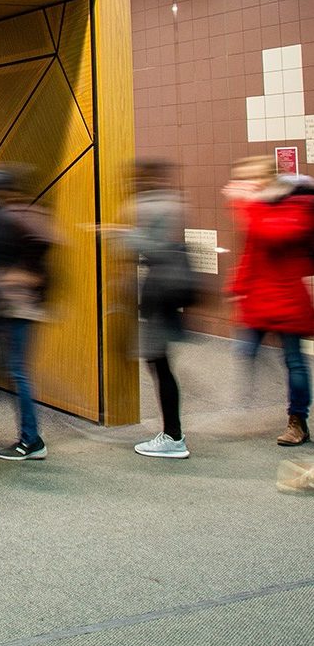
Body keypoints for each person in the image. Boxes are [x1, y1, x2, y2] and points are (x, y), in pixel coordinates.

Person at [226, 164, 314, 447]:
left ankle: (297, 421)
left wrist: (246, 204)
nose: (246, 183)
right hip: (259, 296)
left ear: (268, 179)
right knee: (245, 350)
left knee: (293, 362)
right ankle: (255, 402)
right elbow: (252, 251)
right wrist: (237, 286)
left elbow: (272, 234)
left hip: (286, 297)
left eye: (252, 177)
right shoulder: (262, 207)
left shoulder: (298, 204)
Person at [126, 160, 195, 460]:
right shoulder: (171, 202)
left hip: (159, 292)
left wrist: (116, 233)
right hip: (168, 291)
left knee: (159, 363)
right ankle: (172, 433)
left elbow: (149, 245)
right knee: (159, 363)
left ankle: (173, 436)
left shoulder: (150, 206)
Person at [0, 169, 58, 462]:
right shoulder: (34, 214)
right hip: (30, 304)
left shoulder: (10, 218)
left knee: (16, 370)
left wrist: (8, 279)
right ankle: (27, 436)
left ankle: (31, 439)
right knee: (14, 370)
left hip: (16, 305)